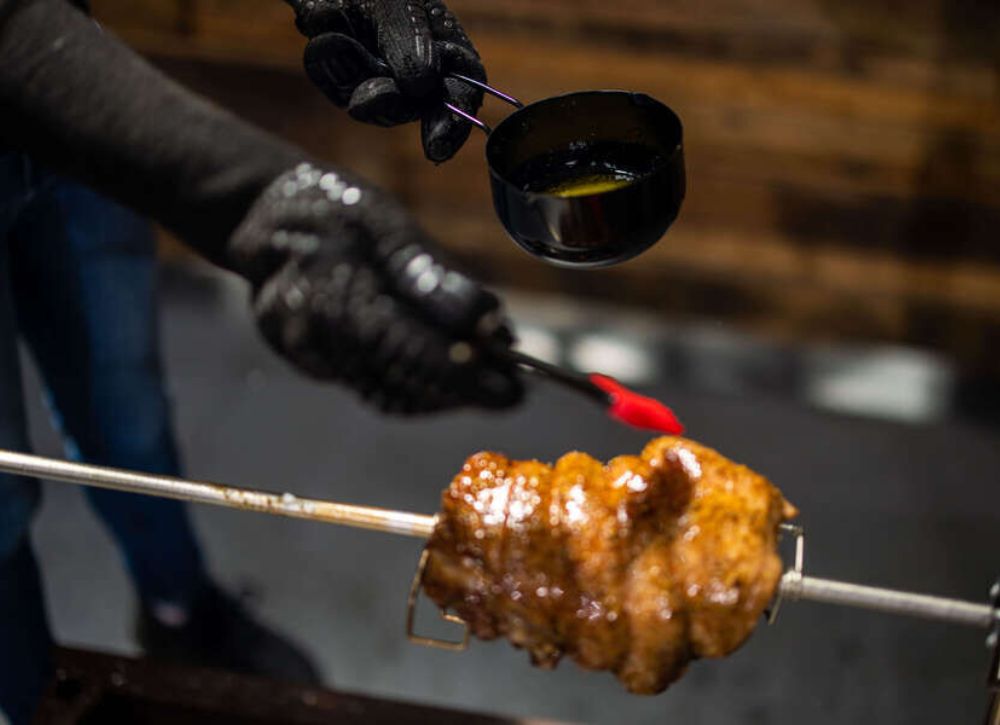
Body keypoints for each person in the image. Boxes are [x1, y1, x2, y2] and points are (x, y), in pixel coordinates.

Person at [0, 1, 523, 723]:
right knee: (1, 505)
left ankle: (177, 609)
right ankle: (21, 696)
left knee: (128, 409)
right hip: (31, 58)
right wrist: (257, 201)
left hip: (69, 84)